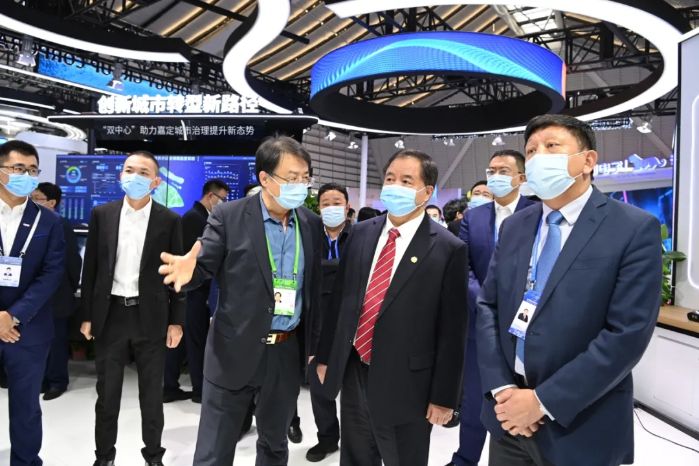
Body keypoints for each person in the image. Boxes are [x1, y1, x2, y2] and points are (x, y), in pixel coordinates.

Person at [478, 114, 662, 466]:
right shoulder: (516, 226)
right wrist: (502, 389)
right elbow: (488, 306)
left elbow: (626, 334)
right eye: (531, 151)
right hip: (507, 416)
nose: (538, 157)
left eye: (551, 146)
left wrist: (541, 401)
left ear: (587, 161)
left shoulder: (632, 228)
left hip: (581, 420)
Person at [159, 135, 322, 466]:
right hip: (233, 348)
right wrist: (189, 272)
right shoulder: (229, 216)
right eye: (292, 178)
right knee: (215, 451)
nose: (300, 186)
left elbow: (314, 291)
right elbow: (204, 265)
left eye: (305, 178)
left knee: (275, 446)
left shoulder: (310, 223)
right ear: (265, 178)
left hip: (284, 352)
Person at [316, 149, 468, 466]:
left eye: (406, 181)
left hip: (408, 382)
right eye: (390, 178)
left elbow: (452, 331)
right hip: (355, 368)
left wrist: (444, 397)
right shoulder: (361, 232)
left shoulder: (447, 248)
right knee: (356, 456)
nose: (395, 185)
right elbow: (341, 301)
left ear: (426, 192)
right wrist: (327, 356)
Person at [80, 150, 185, 466]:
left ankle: (153, 455)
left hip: (150, 316)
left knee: (151, 396)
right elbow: (91, 269)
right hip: (111, 314)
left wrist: (177, 321)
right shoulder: (103, 214)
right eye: (129, 170)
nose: (134, 177)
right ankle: (104, 457)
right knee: (107, 394)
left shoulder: (169, 220)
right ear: (120, 175)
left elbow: (177, 275)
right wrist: (87, 315)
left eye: (143, 172)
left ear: (156, 182)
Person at [449, 149, 537, 466]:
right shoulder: (474, 217)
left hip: (526, 324)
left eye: (503, 171)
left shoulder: (538, 212)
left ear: (521, 177)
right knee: (475, 396)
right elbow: (464, 267)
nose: (495, 176)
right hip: (479, 323)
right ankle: (465, 458)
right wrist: (486, 302)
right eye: (491, 171)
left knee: (522, 395)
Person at [0, 140, 65, 466]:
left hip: (28, 329)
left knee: (25, 407)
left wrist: (13, 315)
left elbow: (52, 274)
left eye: (32, 170)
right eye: (18, 168)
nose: (26, 175)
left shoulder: (48, 221)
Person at [163, 178, 229, 404]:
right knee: (195, 340)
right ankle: (198, 389)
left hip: (193, 290)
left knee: (185, 340)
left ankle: (171, 386)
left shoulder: (199, 217)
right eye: (222, 199)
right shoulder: (196, 219)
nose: (224, 204)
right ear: (211, 196)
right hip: (193, 291)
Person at [302, 182, 352, 462]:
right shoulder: (309, 236)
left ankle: (356, 441)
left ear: (347, 206)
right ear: (318, 208)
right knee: (319, 387)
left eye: (337, 203)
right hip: (317, 320)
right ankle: (327, 438)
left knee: (354, 390)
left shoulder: (360, 236)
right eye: (325, 204)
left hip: (351, 321)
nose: (331, 208)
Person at [31, 182, 82, 401]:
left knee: (56, 341)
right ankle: (41, 379)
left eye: (38, 198)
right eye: (32, 197)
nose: (33, 201)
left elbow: (73, 261)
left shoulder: (61, 225)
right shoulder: (31, 223)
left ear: (52, 202)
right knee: (37, 340)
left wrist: (69, 289)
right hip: (34, 295)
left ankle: (57, 381)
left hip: (57, 294)